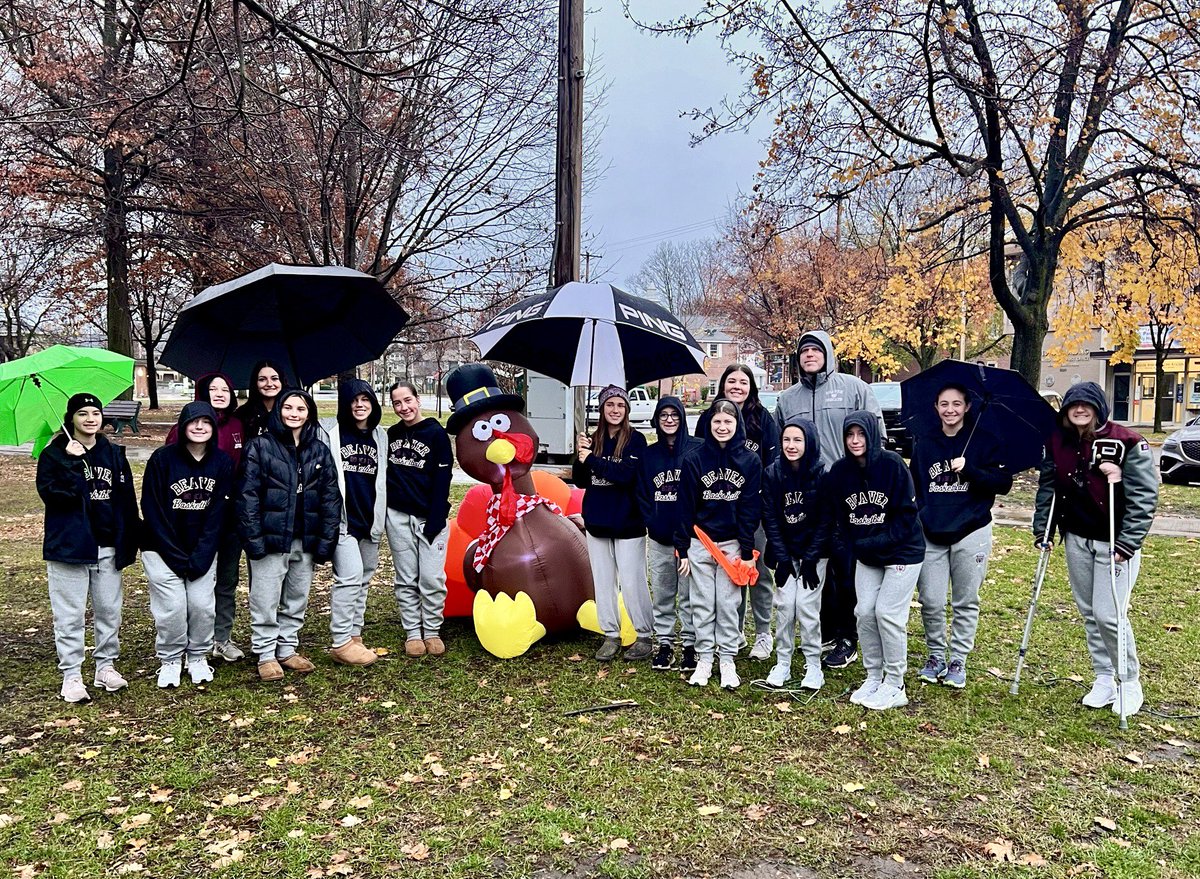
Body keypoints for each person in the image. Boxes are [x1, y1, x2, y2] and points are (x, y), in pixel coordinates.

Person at [1033, 382, 1158, 717]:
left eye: (1087, 405)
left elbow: (1144, 496)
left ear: (1099, 407)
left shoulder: (1128, 441)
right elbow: (1049, 487)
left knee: (1109, 614)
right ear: (1066, 410)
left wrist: (1129, 541)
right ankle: (1104, 677)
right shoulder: (1058, 441)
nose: (1080, 410)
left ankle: (1129, 681)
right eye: (1074, 405)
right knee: (1089, 612)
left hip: (1113, 541)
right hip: (1077, 537)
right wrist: (1041, 529)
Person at [774, 331, 886, 671]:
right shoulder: (787, 398)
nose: (809, 355)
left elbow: (875, 433)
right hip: (807, 495)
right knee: (816, 564)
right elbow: (779, 444)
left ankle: (848, 636)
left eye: (815, 349)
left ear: (828, 354)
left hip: (848, 488)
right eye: (803, 350)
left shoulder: (854, 388)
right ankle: (823, 629)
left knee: (846, 566)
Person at [36, 393, 141, 703]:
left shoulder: (113, 453)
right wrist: (70, 461)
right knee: (69, 614)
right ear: (71, 419)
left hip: (108, 543)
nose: (90, 419)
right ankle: (71, 674)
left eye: (95, 412)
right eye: (83, 413)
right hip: (70, 545)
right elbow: (54, 496)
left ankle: (105, 666)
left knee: (109, 610)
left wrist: (129, 537)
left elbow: (125, 499)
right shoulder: (54, 455)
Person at [911, 384, 1012, 689]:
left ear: (968, 406)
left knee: (966, 600)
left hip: (972, 529)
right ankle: (936, 655)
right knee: (930, 600)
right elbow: (916, 486)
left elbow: (1003, 483)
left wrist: (971, 471)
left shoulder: (984, 442)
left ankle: (958, 660)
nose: (950, 410)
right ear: (936, 407)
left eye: (957, 404)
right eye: (944, 404)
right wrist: (923, 515)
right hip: (933, 532)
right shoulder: (925, 443)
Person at [237, 388, 341, 682]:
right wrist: (254, 539)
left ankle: (287, 648)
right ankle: (266, 653)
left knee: (297, 597)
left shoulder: (318, 450)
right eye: (288, 408)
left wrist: (325, 540)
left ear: (309, 414)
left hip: (304, 538)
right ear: (279, 410)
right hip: (271, 539)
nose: (294, 414)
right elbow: (247, 496)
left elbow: (330, 497)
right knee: (266, 599)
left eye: (301, 409)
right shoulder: (259, 446)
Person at [826, 411, 924, 710]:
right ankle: (873, 676)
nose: (856, 441)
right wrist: (847, 548)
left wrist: (868, 543)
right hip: (867, 556)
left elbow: (906, 518)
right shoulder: (840, 472)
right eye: (850, 435)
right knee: (865, 612)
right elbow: (838, 519)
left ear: (872, 435)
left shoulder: (892, 465)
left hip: (902, 552)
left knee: (887, 614)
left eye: (861, 434)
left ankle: (896, 683)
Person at [141, 402, 235, 688]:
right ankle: (170, 659)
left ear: (213, 428)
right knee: (172, 606)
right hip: (161, 548)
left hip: (201, 551)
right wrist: (176, 555)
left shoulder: (222, 463)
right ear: (182, 426)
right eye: (193, 422)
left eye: (206, 422)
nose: (199, 427)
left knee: (201, 605)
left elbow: (219, 513)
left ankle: (197, 657)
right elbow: (152, 509)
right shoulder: (162, 459)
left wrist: (202, 555)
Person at [675, 398, 762, 689]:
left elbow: (750, 509)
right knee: (701, 603)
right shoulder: (694, 459)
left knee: (727, 603)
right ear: (708, 425)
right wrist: (683, 547)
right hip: (700, 541)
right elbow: (684, 505)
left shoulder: (750, 461)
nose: (722, 427)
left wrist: (748, 552)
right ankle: (704, 659)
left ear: (736, 424)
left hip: (733, 545)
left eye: (728, 421)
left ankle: (727, 658)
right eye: (717, 422)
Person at [695, 364, 780, 660]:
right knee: (731, 576)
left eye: (743, 382)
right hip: (717, 513)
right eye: (732, 381)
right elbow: (698, 457)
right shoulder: (709, 418)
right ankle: (736, 631)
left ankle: (763, 633)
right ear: (723, 385)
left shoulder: (763, 419)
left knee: (756, 571)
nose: (737, 387)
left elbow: (773, 461)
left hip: (751, 509)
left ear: (750, 388)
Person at [165, 372, 247, 663]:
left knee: (226, 579)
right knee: (195, 579)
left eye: (226, 388)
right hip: (191, 518)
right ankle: (190, 640)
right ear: (202, 393)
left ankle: (221, 637)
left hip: (228, 518)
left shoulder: (238, 425)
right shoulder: (183, 429)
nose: (220, 393)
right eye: (213, 389)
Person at [575, 385, 652, 662]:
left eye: (620, 405)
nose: (615, 410)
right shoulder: (592, 439)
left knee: (632, 581)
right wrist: (581, 455)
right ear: (602, 408)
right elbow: (582, 481)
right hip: (597, 520)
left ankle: (644, 635)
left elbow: (626, 476)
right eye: (610, 405)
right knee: (603, 581)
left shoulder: (636, 440)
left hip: (628, 522)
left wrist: (593, 460)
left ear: (627, 410)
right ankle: (610, 633)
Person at [320, 379, 388, 666]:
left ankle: (354, 634)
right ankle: (340, 641)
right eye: (353, 400)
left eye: (365, 399)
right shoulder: (331, 434)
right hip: (342, 521)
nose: (360, 405)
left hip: (368, 519)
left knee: (363, 578)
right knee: (348, 578)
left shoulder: (380, 436)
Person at [385, 381, 453, 657]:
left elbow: (443, 479)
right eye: (397, 403)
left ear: (418, 400)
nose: (404, 407)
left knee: (432, 577)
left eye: (407, 400)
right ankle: (413, 631)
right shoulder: (391, 434)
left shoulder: (436, 434)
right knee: (406, 578)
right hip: (398, 515)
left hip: (430, 517)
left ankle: (432, 630)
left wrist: (436, 518)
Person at [761, 417, 829, 690]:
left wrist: (811, 558)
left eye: (797, 440)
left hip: (815, 554)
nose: (791, 445)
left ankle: (813, 665)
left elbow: (826, 520)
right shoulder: (773, 473)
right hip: (785, 552)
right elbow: (770, 518)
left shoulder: (822, 474)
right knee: (786, 607)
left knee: (808, 608)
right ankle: (784, 661)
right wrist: (783, 558)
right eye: (786, 439)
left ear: (809, 442)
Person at [636, 395, 702, 672]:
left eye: (674, 414)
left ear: (682, 418)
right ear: (657, 419)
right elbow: (641, 493)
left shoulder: (697, 450)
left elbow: (703, 493)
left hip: (689, 539)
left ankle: (689, 644)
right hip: (660, 537)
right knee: (663, 593)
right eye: (663, 415)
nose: (669, 420)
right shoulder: (649, 456)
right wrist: (653, 521)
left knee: (688, 595)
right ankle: (664, 643)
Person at [233, 359, 288, 440]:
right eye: (262, 379)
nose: (269, 384)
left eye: (274, 378)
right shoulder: (242, 415)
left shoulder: (292, 412)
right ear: (255, 383)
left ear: (282, 381)